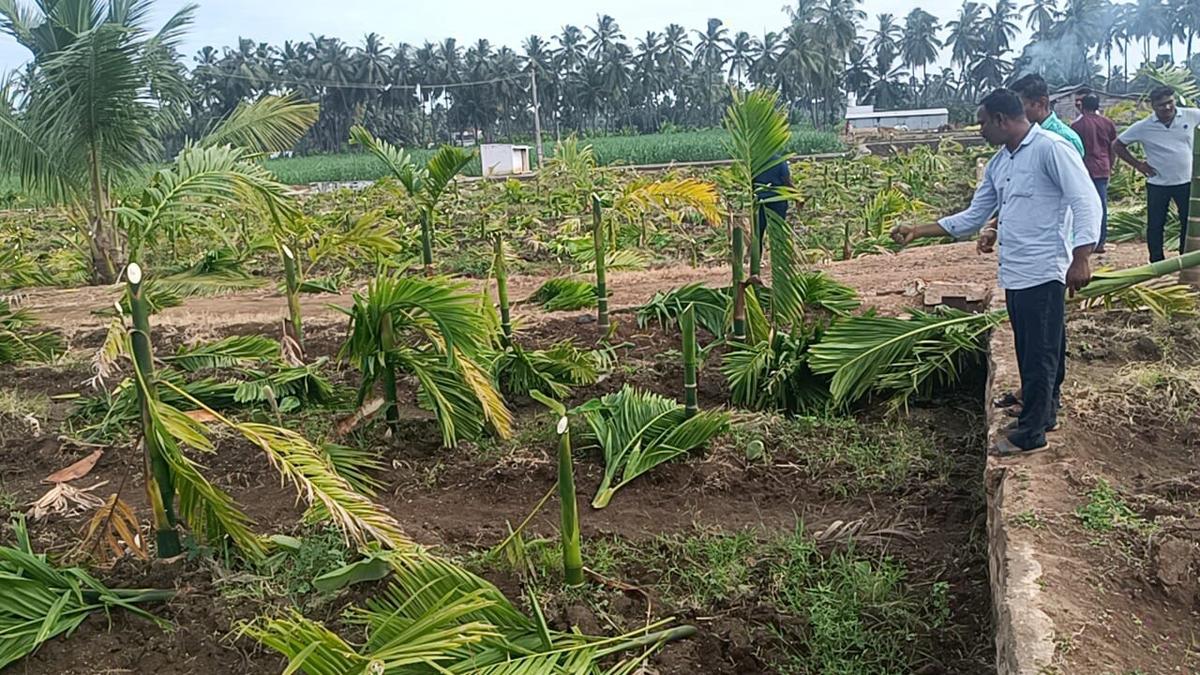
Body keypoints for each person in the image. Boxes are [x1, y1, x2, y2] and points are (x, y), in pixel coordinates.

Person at [891, 89, 1101, 456]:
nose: (981, 130)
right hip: (1016, 271)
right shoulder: (1001, 163)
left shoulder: (1050, 149)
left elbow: (1085, 200)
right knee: (1032, 348)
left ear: (1002, 120)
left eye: (984, 122)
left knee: (1041, 352)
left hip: (1045, 269)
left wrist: (1081, 256)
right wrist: (920, 230)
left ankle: (1032, 432)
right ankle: (1043, 413)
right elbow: (974, 216)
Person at [1112, 86, 1200, 262]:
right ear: (1153, 106)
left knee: (1187, 222)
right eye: (1161, 105)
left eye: (1170, 102)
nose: (1167, 107)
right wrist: (1138, 165)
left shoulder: (1192, 115)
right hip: (1158, 183)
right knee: (1156, 224)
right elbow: (1117, 145)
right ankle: (1157, 261)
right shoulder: (1143, 127)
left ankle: (1184, 258)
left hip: (1186, 181)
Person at [1071, 94, 1119, 252]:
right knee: (1101, 206)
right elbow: (1113, 147)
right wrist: (1110, 165)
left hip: (1084, 170)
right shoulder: (1107, 123)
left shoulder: (1077, 126)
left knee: (1082, 206)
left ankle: (1085, 241)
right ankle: (1101, 241)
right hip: (1103, 168)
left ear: (1082, 106)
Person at [1011, 74, 1085, 156]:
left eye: (1020, 106)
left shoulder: (1065, 138)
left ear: (1041, 103)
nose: (1015, 112)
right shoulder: (1022, 135)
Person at [754, 154, 791, 253]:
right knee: (777, 230)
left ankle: (757, 260)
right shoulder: (779, 160)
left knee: (758, 232)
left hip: (760, 200)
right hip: (777, 200)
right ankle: (778, 257)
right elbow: (786, 180)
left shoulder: (756, 161)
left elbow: (751, 181)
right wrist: (796, 195)